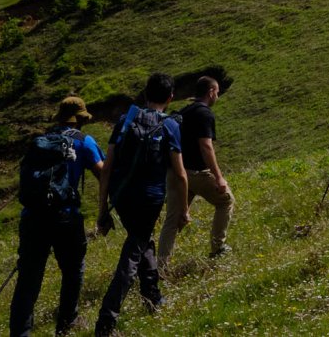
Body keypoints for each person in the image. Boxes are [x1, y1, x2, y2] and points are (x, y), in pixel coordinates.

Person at [94, 73, 188, 337]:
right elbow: (180, 174)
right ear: (170, 98)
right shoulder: (170, 126)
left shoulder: (126, 120)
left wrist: (103, 210)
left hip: (122, 196)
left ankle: (152, 297)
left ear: (145, 94)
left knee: (141, 239)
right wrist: (184, 209)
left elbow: (108, 167)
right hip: (150, 198)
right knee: (133, 252)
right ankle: (106, 321)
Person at [9, 96, 105, 337]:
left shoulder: (40, 141)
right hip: (65, 216)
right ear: (81, 120)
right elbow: (103, 174)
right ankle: (66, 323)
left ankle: (20, 334)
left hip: (32, 217)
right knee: (73, 270)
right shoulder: (84, 141)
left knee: (29, 279)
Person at [157, 76, 233, 267]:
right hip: (196, 173)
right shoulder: (204, 114)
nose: (217, 96)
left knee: (172, 220)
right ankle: (218, 247)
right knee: (226, 201)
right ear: (211, 92)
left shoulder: (185, 111)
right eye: (217, 92)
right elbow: (206, 147)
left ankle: (161, 266)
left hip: (175, 172)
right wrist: (219, 177)